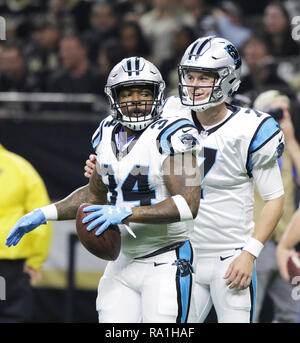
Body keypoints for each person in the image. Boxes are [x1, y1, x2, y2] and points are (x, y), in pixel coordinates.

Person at [84, 36, 285, 323]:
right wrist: (104, 167)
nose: (194, 84)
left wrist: (250, 253)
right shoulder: (168, 111)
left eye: (204, 77)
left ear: (229, 79)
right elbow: (132, 153)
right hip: (180, 256)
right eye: (190, 75)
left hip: (229, 255)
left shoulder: (251, 129)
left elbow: (275, 199)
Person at [6, 57, 202, 323]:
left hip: (166, 259)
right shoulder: (106, 133)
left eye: (144, 92)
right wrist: (43, 214)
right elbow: (93, 195)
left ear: (157, 94)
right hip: (122, 261)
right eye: (128, 93)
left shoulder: (175, 135)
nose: (136, 100)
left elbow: (187, 205)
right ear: (114, 97)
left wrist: (126, 213)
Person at [253, 90, 300, 323]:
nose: (283, 117)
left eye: (286, 112)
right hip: (256, 243)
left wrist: (290, 140)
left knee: (293, 313)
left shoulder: (292, 151)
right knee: (249, 311)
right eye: (275, 111)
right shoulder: (248, 144)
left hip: (286, 245)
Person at [0, 144, 52, 323]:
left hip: (9, 265)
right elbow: (39, 218)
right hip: (9, 267)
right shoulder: (20, 168)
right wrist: (35, 262)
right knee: (11, 315)